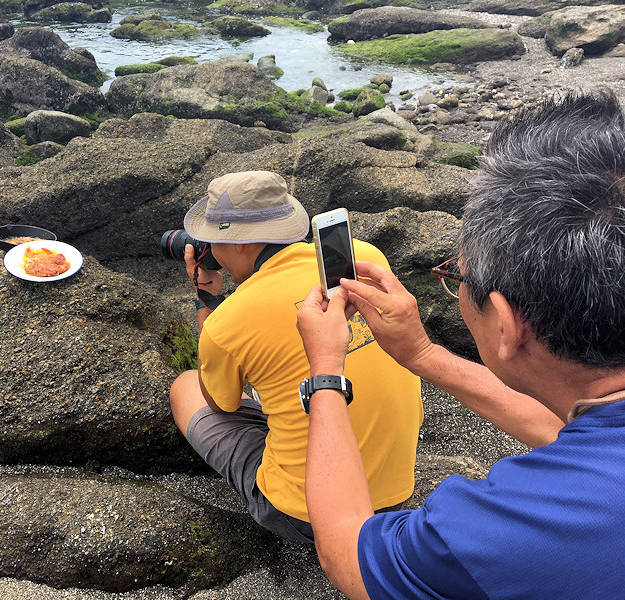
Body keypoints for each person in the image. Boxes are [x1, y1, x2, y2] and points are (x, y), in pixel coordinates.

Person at [296, 89, 625, 598]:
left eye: (458, 276)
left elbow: (347, 550)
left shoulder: (503, 534)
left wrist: (324, 370)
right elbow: (576, 438)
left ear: (509, 323)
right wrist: (421, 354)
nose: (456, 288)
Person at [169, 170, 423, 543]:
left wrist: (208, 300)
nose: (210, 253)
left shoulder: (230, 319)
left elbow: (218, 403)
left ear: (239, 244)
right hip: (396, 494)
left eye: (211, 242)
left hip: (307, 515)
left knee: (186, 386)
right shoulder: (361, 258)